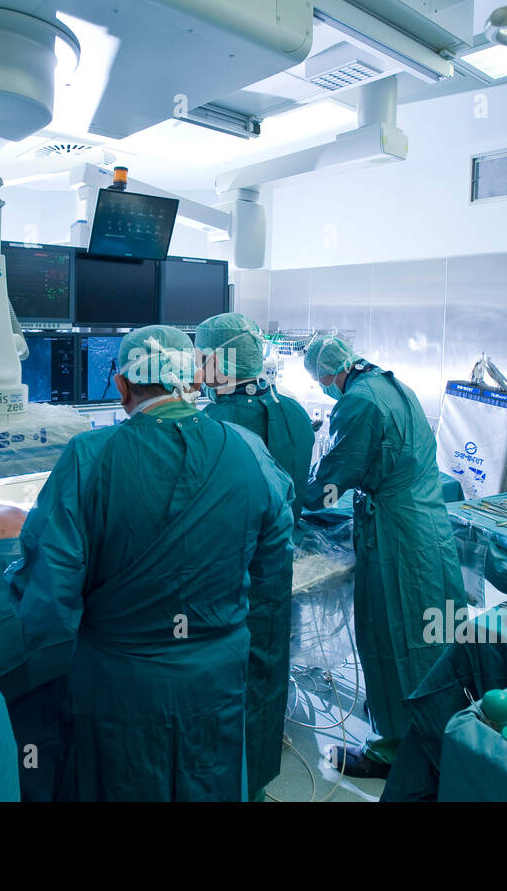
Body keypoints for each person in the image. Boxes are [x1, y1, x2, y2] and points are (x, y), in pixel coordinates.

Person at [5, 324, 296, 801]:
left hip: (120, 691)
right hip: (214, 684)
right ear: (194, 381)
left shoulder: (90, 458)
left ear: (120, 385)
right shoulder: (249, 451)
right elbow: (271, 570)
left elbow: (47, 602)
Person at [300, 334, 466, 779]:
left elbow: (334, 475)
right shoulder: (393, 386)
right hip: (428, 528)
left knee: (394, 638)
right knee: (435, 634)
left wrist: (292, 495)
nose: (323, 389)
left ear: (331, 373)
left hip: (397, 538)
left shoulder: (358, 403)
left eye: (320, 381)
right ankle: (440, 736)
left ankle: (396, 751)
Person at [195, 312, 313, 801]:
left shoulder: (208, 428)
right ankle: (257, 781)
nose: (195, 367)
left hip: (220, 585)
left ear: (219, 362)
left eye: (201, 357)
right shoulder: (297, 414)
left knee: (219, 689)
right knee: (265, 676)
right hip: (274, 573)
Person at [195, 312, 315, 521]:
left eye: (200, 360)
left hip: (234, 548)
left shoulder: (211, 425)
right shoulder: (295, 410)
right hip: (284, 543)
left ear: (214, 360)